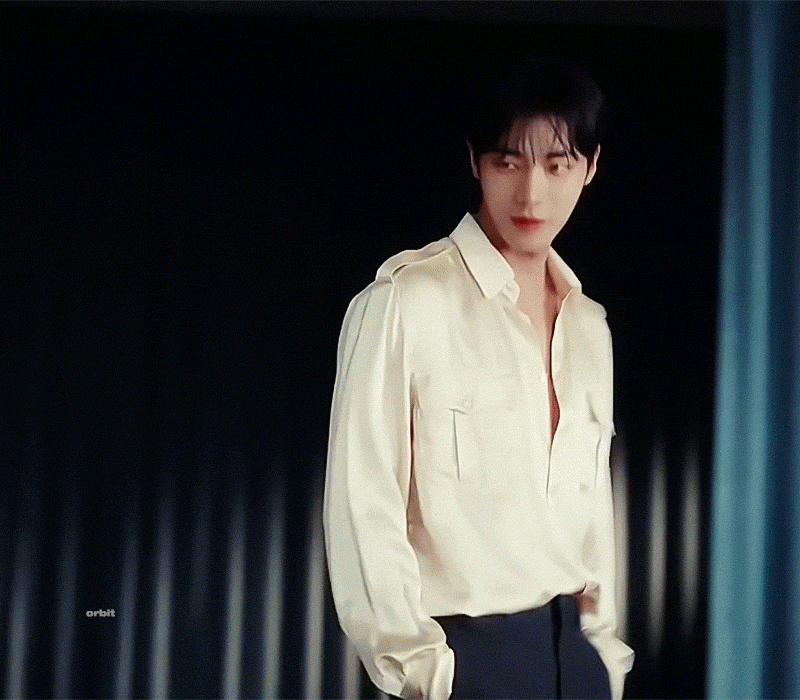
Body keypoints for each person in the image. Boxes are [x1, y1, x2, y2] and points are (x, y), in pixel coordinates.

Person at [324, 56, 634, 700]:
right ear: (474, 161)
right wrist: (431, 676)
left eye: (558, 165)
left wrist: (603, 659)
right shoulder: (405, 302)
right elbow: (363, 511)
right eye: (508, 162)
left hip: (574, 663)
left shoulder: (590, 327)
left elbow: (593, 521)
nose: (531, 195)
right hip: (467, 664)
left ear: (590, 168)